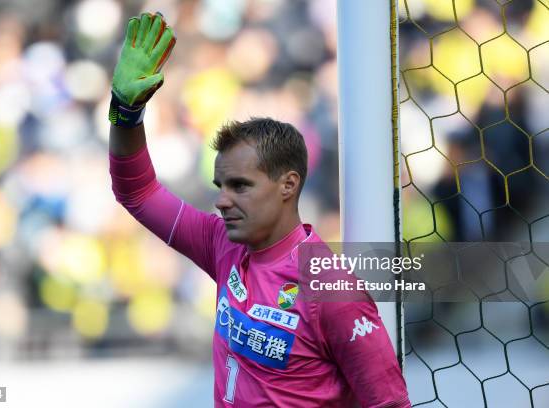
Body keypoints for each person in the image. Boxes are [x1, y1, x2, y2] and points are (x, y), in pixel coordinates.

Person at [108, 11, 411, 408]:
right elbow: (138, 193)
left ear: (288, 184)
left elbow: (390, 404)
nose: (221, 200)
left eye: (240, 186)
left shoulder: (333, 290)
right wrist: (125, 113)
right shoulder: (222, 245)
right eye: (221, 186)